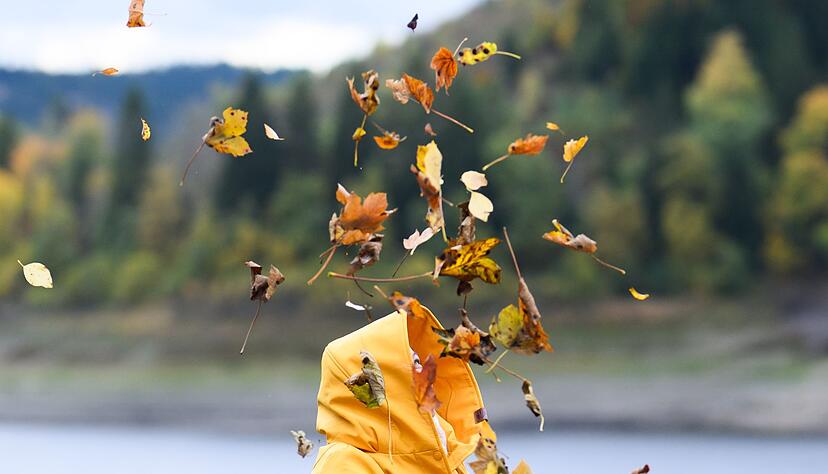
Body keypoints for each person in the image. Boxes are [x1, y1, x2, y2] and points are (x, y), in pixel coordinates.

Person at [312, 306, 495, 473]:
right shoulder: (342, 462)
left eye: (419, 361)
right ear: (381, 380)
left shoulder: (446, 449)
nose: (424, 371)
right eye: (413, 363)